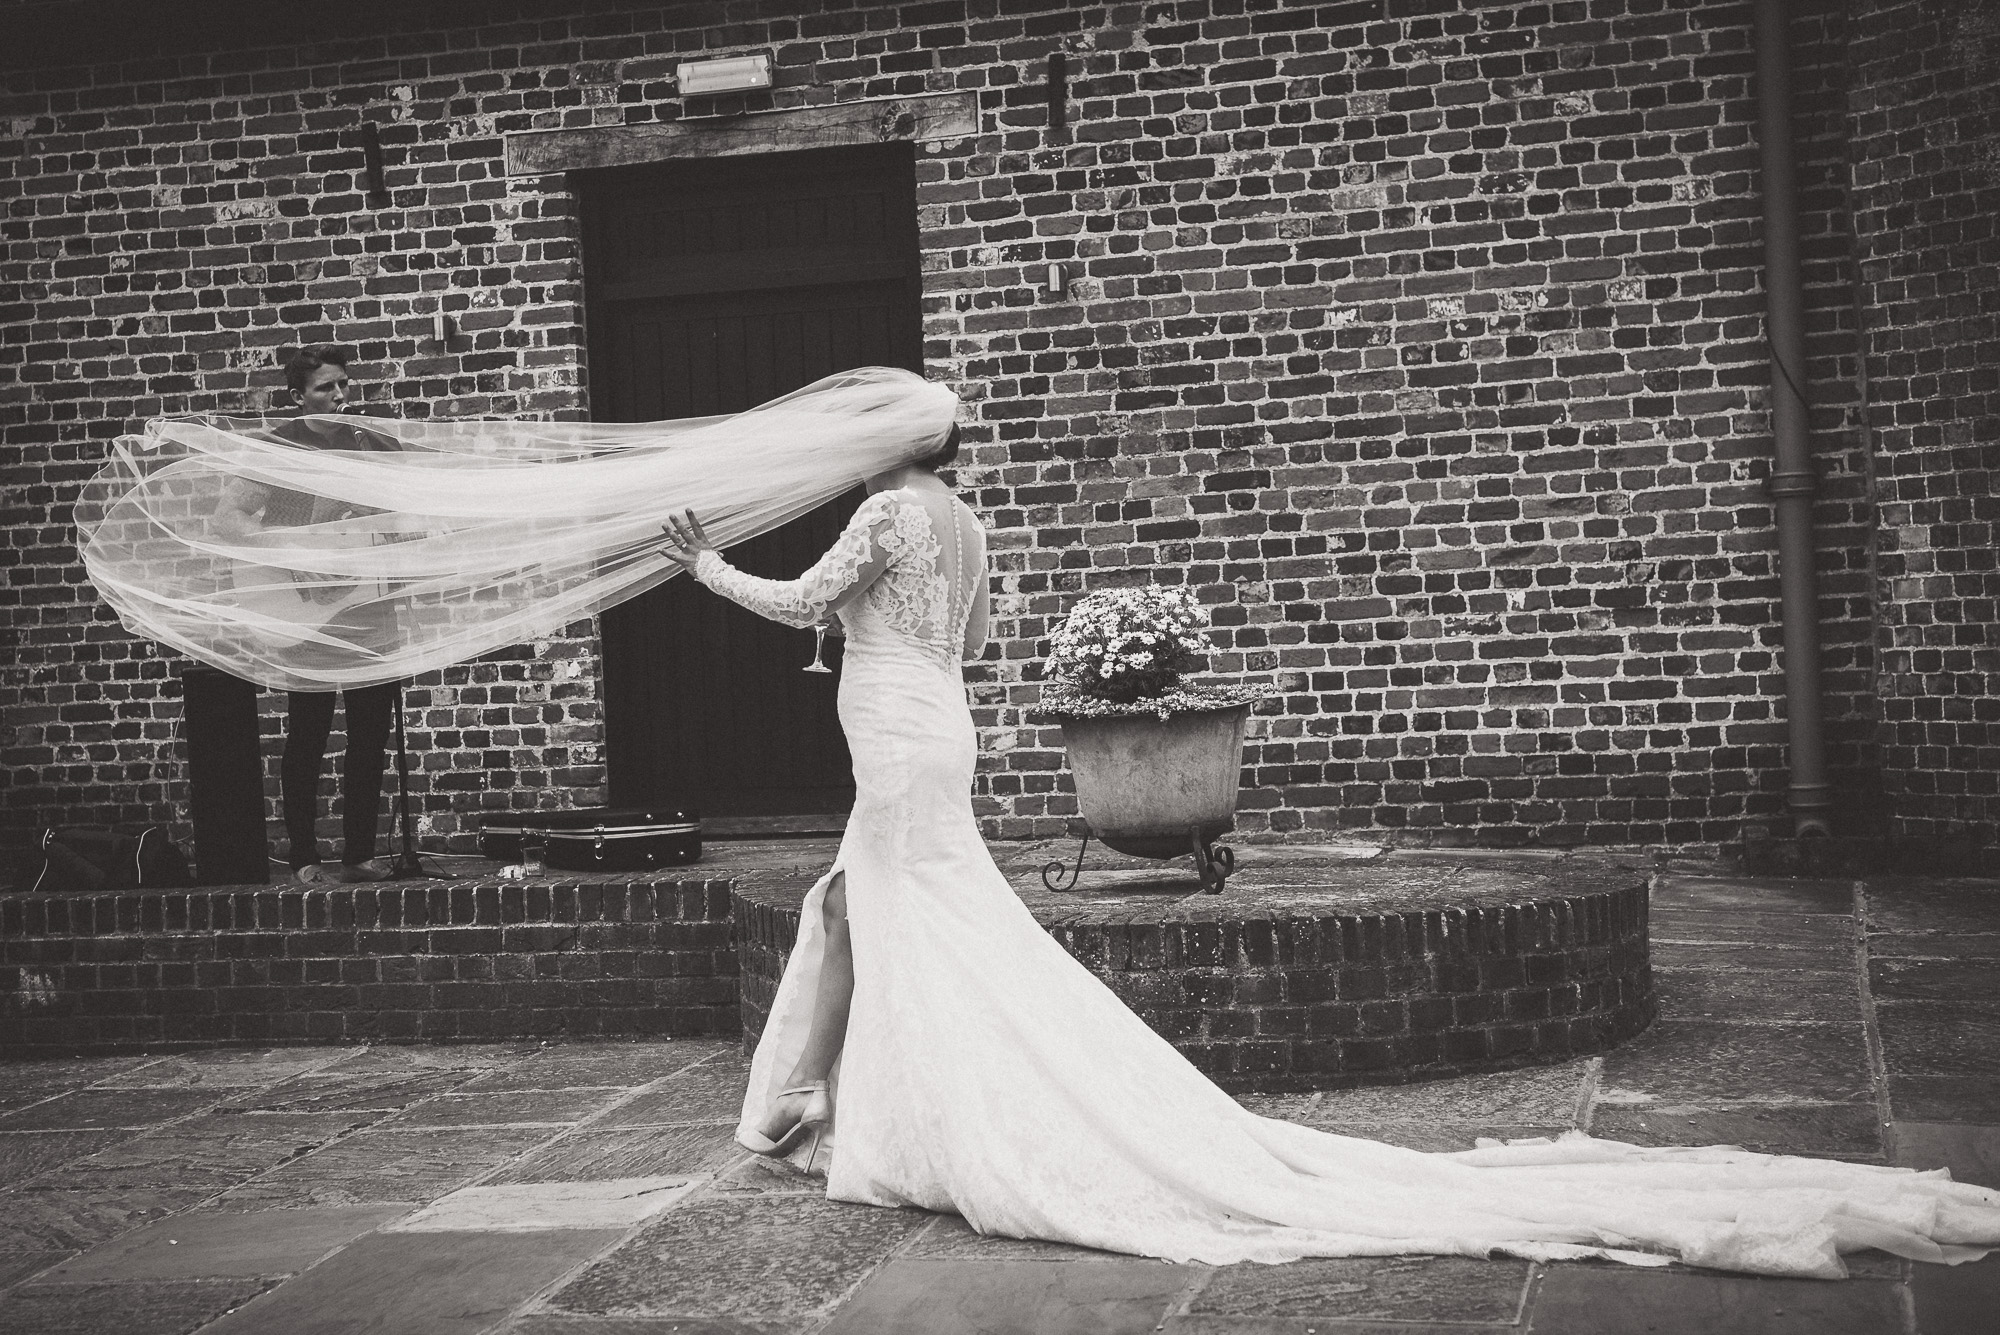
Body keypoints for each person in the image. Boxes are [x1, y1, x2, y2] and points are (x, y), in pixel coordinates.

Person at [658, 422, 2000, 1280]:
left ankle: (905, 1116)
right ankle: (814, 1099)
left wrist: (705, 564)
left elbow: (800, 595)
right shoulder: (968, 522)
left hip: (894, 731)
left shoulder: (888, 515)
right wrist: (867, 648)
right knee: (879, 901)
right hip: (932, 720)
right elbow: (967, 640)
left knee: (902, 911)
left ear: (885, 450)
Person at [211, 347, 399, 884]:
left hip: (369, 609)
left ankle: (360, 855)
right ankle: (303, 857)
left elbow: (403, 519)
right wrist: (293, 556)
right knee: (308, 737)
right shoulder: (277, 452)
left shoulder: (373, 446)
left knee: (369, 738)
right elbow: (227, 521)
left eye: (344, 385)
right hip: (305, 614)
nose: (340, 396)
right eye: (326, 388)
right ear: (297, 397)